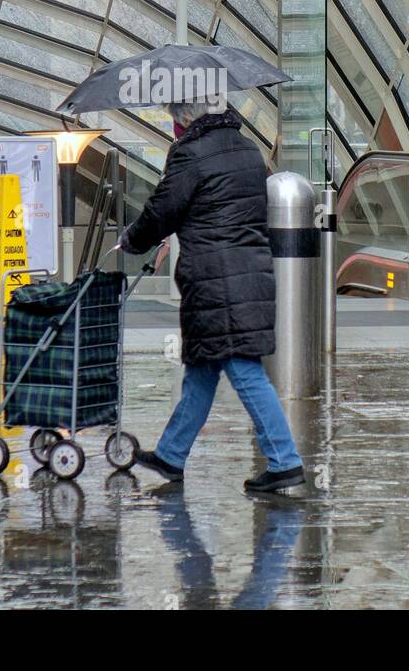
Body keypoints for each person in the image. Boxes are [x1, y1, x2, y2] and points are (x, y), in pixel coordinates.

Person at [119, 99, 305, 494]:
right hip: (247, 272)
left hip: (216, 278)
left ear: (185, 118)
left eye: (173, 118)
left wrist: (131, 240)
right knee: (202, 371)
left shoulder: (192, 153)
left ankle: (285, 460)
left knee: (244, 369)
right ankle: (172, 454)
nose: (172, 126)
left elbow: (162, 209)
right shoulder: (246, 148)